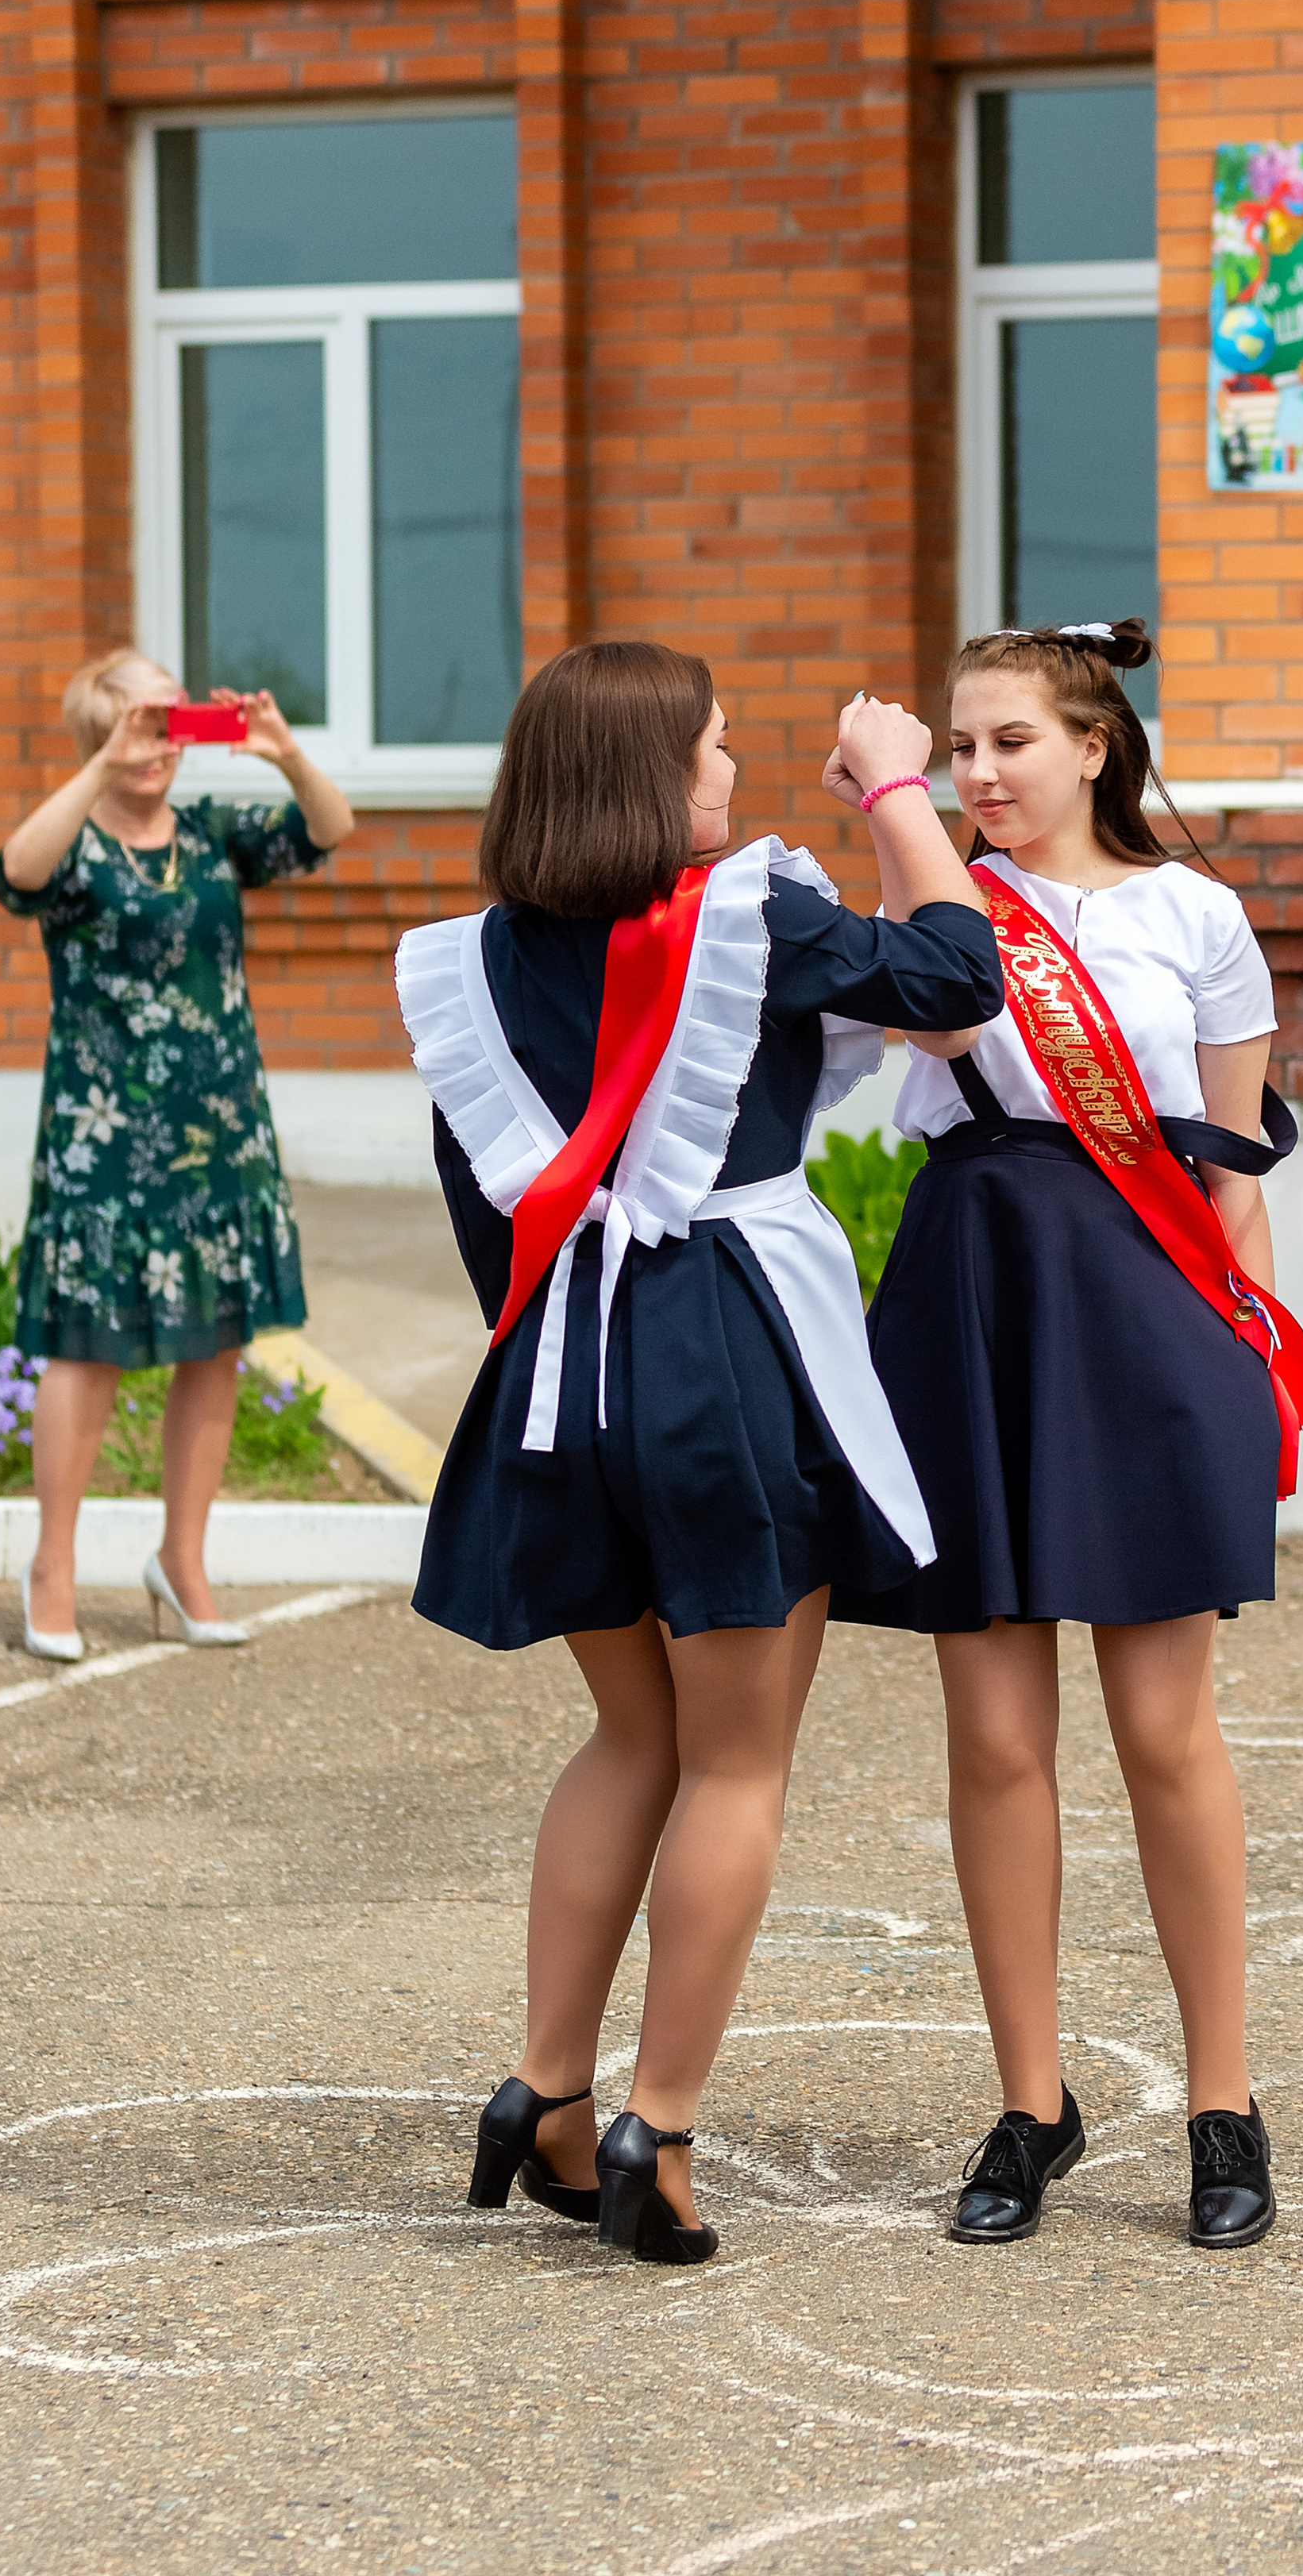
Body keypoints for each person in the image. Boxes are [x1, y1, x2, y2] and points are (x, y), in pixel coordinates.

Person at [393, 642, 1003, 2267]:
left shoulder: (461, 963)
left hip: (553, 1375)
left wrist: (558, 1364)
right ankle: (656, 2123)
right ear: (657, 777)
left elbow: (486, 1215)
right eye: (717, 749)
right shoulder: (750, 910)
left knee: (625, 1738)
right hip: (724, 1346)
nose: (730, 773)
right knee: (735, 1759)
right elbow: (958, 976)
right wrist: (893, 788)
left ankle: (542, 2089)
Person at [835, 620, 1303, 2254]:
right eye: (954, 750)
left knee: (1161, 1730)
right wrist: (898, 810)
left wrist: (1247, 1356)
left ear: (1092, 749)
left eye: (1007, 746)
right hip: (971, 1298)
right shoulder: (937, 904)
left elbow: (1232, 1170)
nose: (977, 778)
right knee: (992, 1738)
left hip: (1147, 1316)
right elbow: (935, 1013)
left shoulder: (1196, 916)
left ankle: (1219, 2096)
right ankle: (1031, 2102)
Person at [0, 650, 353, 1660]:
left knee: (215, 1346)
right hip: (101, 1136)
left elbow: (329, 830)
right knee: (86, 1349)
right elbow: (17, 873)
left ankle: (182, 1560)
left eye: (167, 721)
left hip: (220, 1130)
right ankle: (51, 1568)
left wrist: (283, 752)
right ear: (101, 732)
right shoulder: (72, 843)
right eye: (135, 723)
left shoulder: (208, 837)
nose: (155, 742)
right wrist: (101, 767)